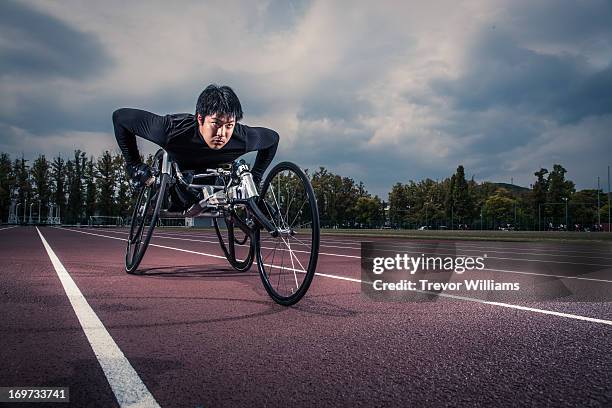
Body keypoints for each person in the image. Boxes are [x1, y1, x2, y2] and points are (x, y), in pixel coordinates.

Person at [112, 84, 279, 209]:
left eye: (229, 125)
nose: (222, 133)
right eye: (216, 123)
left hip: (215, 181)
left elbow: (273, 139)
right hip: (180, 179)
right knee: (172, 200)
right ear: (200, 119)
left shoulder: (243, 137)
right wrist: (133, 164)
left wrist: (255, 179)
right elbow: (120, 117)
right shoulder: (170, 130)